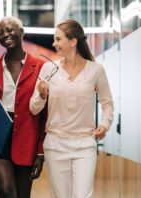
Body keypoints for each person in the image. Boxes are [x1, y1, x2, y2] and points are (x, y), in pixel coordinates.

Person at [30, 19, 114, 198]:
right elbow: (34, 108)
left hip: (85, 144)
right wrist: (41, 95)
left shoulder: (96, 70)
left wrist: (105, 124)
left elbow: (107, 104)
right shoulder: (48, 69)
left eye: (58, 39)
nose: (54, 44)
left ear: (73, 41)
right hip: (55, 144)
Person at [0, 16, 46, 198]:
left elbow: (45, 114)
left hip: (28, 138)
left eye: (9, 30)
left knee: (22, 195)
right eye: (0, 33)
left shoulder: (41, 67)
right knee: (6, 191)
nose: (5, 35)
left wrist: (40, 152)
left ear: (21, 33)